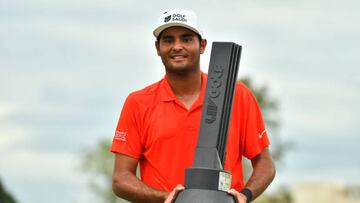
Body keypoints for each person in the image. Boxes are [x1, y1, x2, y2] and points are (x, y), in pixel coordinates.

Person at [111, 8, 275, 203]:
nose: (177, 46)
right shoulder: (138, 103)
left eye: (186, 39)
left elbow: (265, 163)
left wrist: (244, 196)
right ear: (157, 48)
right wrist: (168, 198)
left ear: (202, 45)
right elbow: (120, 179)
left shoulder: (237, 95)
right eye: (168, 40)